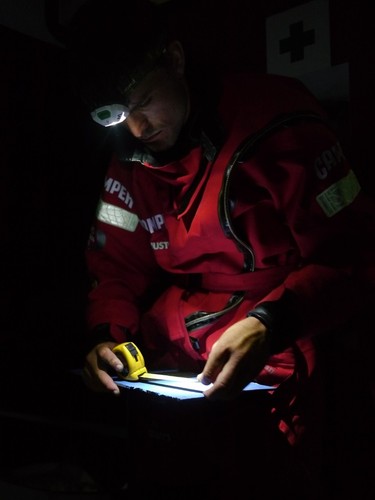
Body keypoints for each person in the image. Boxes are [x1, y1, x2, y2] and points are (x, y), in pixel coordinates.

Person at [66, 0, 375, 498]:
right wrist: (106, 337)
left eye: (144, 102)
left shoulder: (278, 124)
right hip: (173, 362)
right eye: (120, 118)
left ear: (176, 59)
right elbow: (114, 269)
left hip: (283, 345)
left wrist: (269, 324)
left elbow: (354, 254)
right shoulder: (128, 161)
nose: (139, 131)